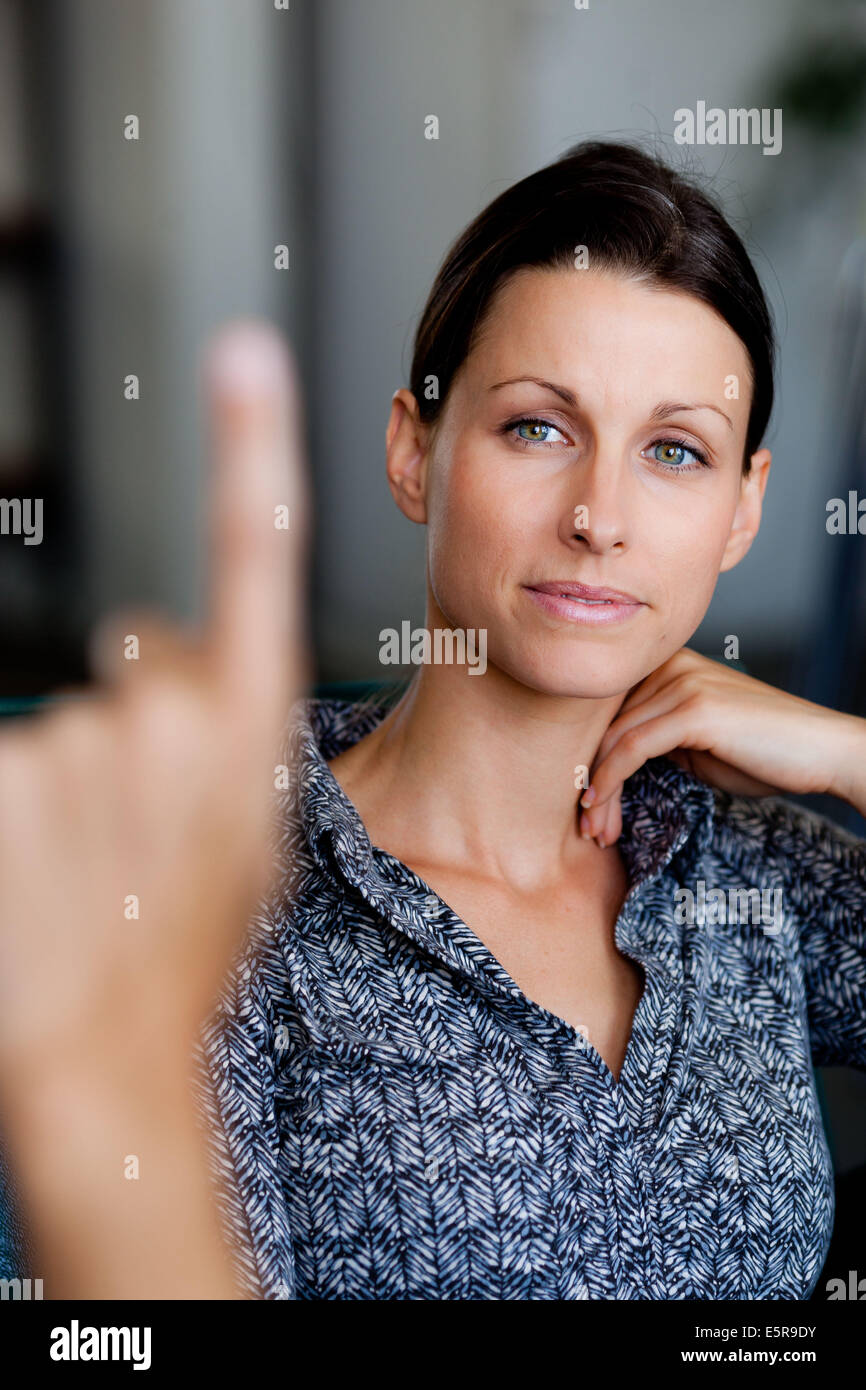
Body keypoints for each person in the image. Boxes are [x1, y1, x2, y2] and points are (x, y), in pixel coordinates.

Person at [1, 139, 865, 1300]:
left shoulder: (744, 864)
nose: (598, 517)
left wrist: (847, 751)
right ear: (416, 450)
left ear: (740, 507)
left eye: (673, 451)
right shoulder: (230, 883)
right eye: (538, 428)